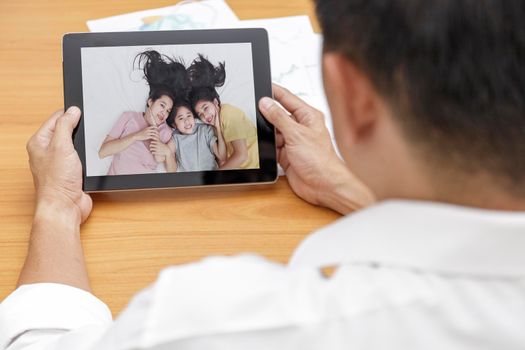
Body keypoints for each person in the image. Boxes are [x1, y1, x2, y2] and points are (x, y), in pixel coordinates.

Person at [1, 0, 525, 349]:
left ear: (353, 97)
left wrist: (55, 206)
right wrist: (343, 184)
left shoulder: (220, 319)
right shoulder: (135, 122)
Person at [98, 50, 189, 175]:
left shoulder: (166, 131)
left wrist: (166, 152)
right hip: (116, 186)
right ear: (150, 102)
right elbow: (103, 152)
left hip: (141, 188)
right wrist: (137, 136)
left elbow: (172, 170)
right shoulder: (129, 117)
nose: (164, 112)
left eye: (168, 111)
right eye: (162, 105)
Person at [188, 54, 260, 170]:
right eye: (200, 114)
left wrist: (214, 180)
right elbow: (222, 159)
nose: (205, 116)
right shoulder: (213, 127)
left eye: (205, 108)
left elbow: (242, 155)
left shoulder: (228, 114)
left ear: (216, 103)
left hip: (255, 166)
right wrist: (218, 129)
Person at [151, 98, 227, 172]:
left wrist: (218, 128)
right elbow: (159, 158)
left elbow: (222, 156)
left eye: (189, 115)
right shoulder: (176, 138)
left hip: (210, 181)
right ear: (174, 125)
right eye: (181, 118)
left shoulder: (204, 130)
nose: (187, 121)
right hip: (190, 182)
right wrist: (168, 153)